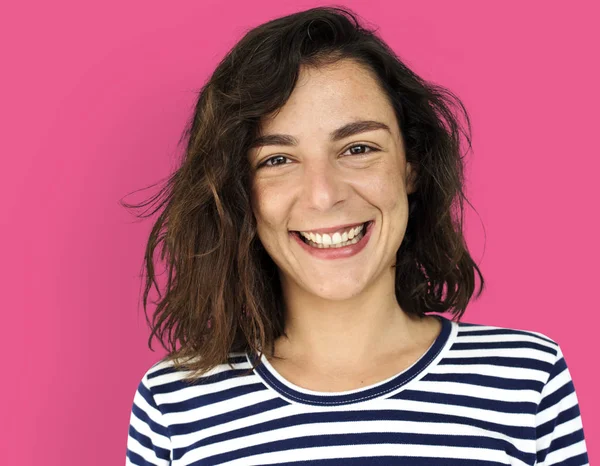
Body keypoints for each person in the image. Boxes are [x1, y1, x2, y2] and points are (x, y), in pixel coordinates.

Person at [123, 6, 589, 465]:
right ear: (240, 192)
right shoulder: (175, 404)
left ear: (411, 166)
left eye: (358, 148)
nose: (323, 195)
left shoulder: (526, 379)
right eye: (278, 160)